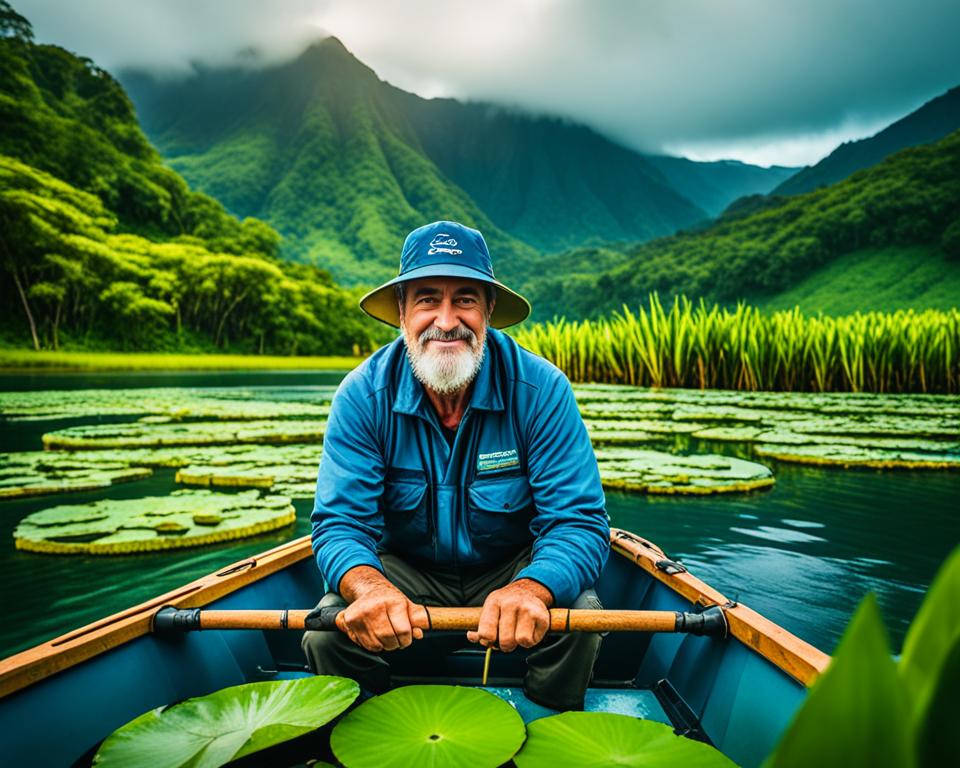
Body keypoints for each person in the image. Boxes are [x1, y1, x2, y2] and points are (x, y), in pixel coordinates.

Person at [302, 220, 609, 710]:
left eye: (465, 298)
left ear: (488, 310)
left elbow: (577, 522)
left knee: (580, 617)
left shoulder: (542, 390)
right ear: (401, 312)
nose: (447, 320)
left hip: (509, 567)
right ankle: (365, 734)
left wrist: (532, 588)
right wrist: (371, 587)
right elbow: (341, 524)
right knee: (327, 633)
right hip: (405, 572)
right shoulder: (361, 395)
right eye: (427, 299)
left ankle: (547, 724)